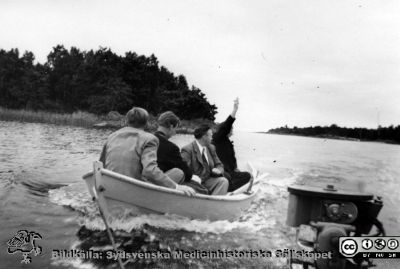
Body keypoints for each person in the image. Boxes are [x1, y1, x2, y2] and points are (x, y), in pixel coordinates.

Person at [99, 107, 195, 196]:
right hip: (135, 189)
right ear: (146, 123)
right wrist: (176, 187)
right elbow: (149, 170)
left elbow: (101, 164)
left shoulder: (111, 136)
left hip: (111, 185)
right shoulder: (149, 139)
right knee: (178, 172)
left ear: (126, 121)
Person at [154, 111, 209, 194]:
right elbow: (184, 169)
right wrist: (194, 177)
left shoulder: (147, 139)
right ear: (171, 126)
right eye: (176, 129)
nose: (175, 133)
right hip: (157, 182)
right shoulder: (171, 147)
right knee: (201, 189)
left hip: (145, 177)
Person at [212, 98, 251, 192]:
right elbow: (226, 126)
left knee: (247, 175)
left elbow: (232, 159)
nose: (232, 132)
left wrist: (235, 168)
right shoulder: (218, 138)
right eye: (231, 129)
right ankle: (230, 188)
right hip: (222, 172)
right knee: (246, 176)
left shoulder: (227, 142)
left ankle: (232, 186)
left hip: (230, 171)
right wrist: (234, 110)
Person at [181, 124, 229, 195]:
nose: (212, 138)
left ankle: (213, 203)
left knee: (224, 181)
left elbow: (219, 164)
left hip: (208, 180)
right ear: (204, 137)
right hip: (194, 182)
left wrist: (219, 170)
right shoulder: (187, 149)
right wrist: (193, 177)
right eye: (210, 135)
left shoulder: (211, 148)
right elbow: (183, 169)